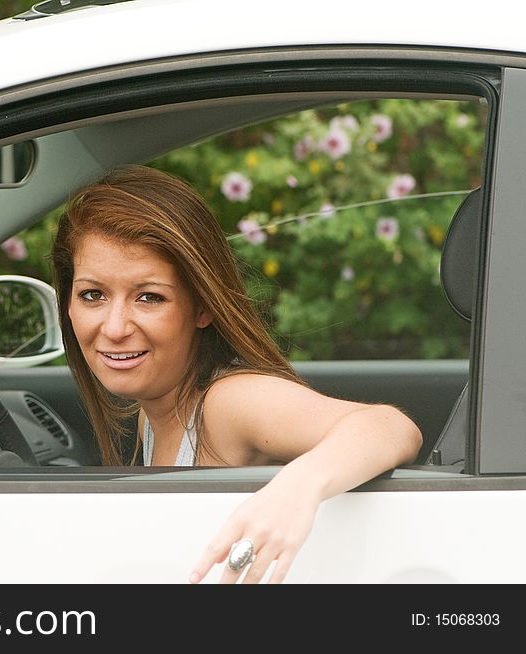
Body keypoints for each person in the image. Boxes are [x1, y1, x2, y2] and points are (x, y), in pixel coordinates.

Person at [50, 164, 423, 584]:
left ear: (203, 307)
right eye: (92, 295)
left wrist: (296, 489)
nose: (115, 327)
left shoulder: (228, 402)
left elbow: (391, 427)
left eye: (149, 297)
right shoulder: (150, 414)